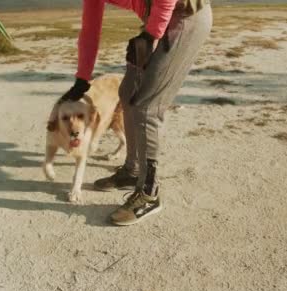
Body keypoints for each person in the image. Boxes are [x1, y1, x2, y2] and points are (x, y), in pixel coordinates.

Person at [59, 0, 212, 225]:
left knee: (146, 106)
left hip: (186, 17)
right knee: (128, 92)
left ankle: (149, 194)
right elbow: (90, 30)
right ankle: (132, 170)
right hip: (156, 21)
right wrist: (82, 79)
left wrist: (151, 36)